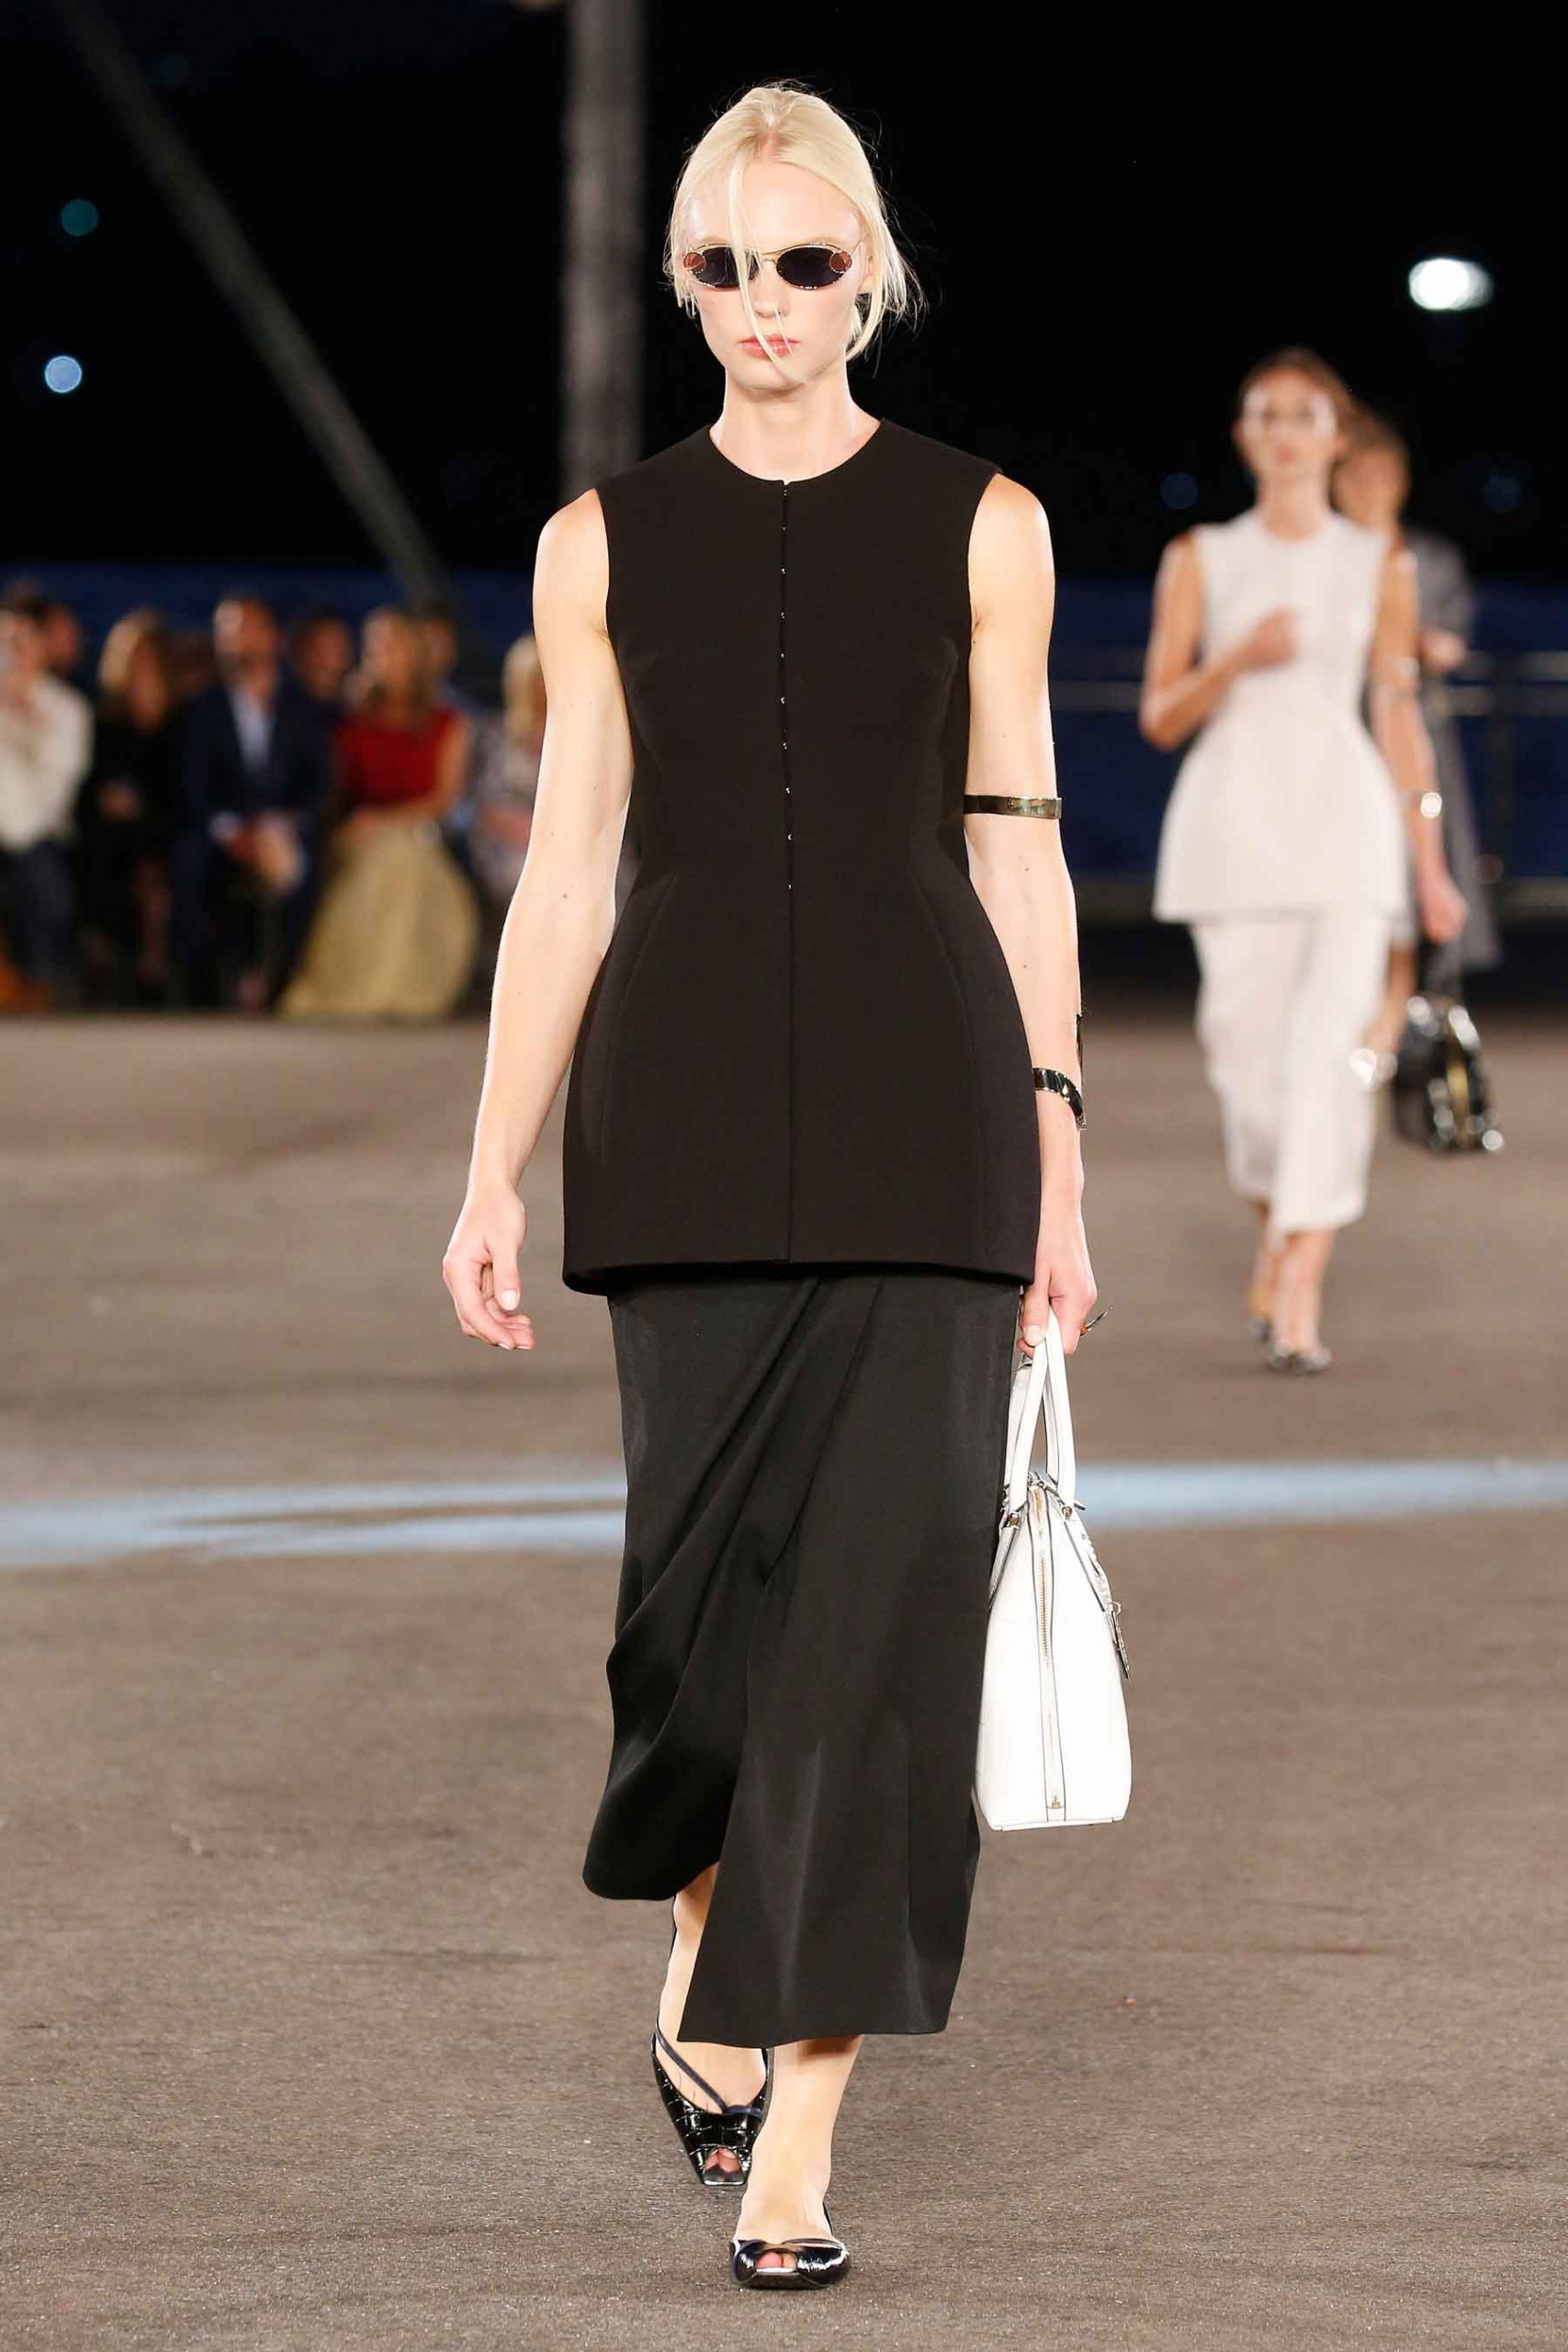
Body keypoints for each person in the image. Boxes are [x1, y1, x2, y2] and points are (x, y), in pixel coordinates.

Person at [440, 82, 1093, 2292]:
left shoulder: (981, 523)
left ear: (867, 276)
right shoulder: (599, 541)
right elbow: (562, 876)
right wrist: (488, 1163)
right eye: (721, 264)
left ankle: (796, 2137)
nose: (764, 302)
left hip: (934, 1122)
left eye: (804, 262)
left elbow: (1016, 843)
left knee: (876, 1644)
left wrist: (1059, 1158)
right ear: (683, 283)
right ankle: (702, 1933)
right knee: (692, 1653)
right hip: (681, 1124)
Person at [1143, 349, 1467, 1372]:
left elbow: (1399, 716)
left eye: (1303, 415)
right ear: (1244, 436)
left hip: (1346, 828)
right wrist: (1238, 657)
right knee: (1246, 1070)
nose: (1284, 432)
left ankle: (1299, 1286)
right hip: (1234, 825)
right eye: (1266, 414)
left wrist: (1430, 864)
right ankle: (1279, 1231)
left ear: (1336, 436)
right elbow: (1161, 714)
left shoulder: (1379, 562)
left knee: (1330, 1059)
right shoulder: (1201, 555)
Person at [1333, 407, 1501, 1055]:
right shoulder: (1324, 556)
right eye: (1356, 477)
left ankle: (1408, 1002)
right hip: (1341, 727)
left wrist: (1421, 646)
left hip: (1410, 724)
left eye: (1380, 476)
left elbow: (1450, 640)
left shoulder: (1426, 557)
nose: (1369, 490)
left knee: (1419, 851)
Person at [278, 606, 477, 1019]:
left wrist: (387, 822)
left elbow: (444, 799)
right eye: (375, 647)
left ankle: (401, 987)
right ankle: (354, 984)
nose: (382, 656)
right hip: (356, 834)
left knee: (403, 858)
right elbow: (332, 792)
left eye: (392, 646)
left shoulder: (448, 723)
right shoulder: (348, 717)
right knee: (385, 859)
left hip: (419, 836)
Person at [173, 594, 331, 1011]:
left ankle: (280, 986)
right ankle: (207, 992)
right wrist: (230, 831)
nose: (235, 642)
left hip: (284, 829)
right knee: (191, 862)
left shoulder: (303, 707)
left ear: (272, 637)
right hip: (223, 831)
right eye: (226, 632)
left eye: (245, 630)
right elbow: (194, 783)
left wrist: (278, 826)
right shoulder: (202, 708)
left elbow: (318, 784)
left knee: (308, 868)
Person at [74, 610, 182, 1005]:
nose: (143, 673)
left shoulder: (182, 723)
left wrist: (143, 806)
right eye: (136, 662)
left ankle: (151, 969)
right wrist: (106, 799)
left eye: (151, 663)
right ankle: (103, 960)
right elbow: (89, 788)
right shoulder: (104, 721)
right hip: (112, 831)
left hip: (166, 824)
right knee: (102, 846)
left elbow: (183, 791)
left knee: (157, 861)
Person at [0, 589, 93, 1010]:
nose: (12, 652)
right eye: (4, 641)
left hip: (41, 839)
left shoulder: (69, 711)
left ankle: (39, 991)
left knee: (41, 880)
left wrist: (19, 721)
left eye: (21, 641)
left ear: (42, 645)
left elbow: (44, 803)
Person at [288, 605, 356, 716]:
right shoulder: (281, 711)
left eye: (337, 647)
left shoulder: (357, 708)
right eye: (318, 649)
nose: (327, 663)